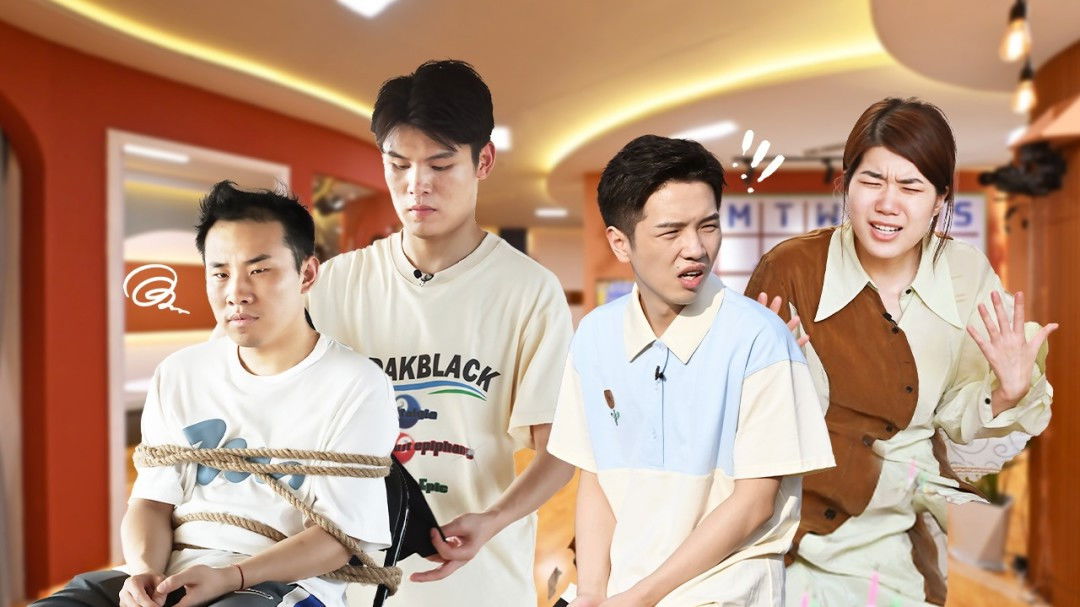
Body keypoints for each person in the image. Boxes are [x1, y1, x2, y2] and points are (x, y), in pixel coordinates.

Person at [745, 98, 1057, 606]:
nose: (887, 204)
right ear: (847, 183)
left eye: (911, 187)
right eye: (872, 181)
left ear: (939, 199)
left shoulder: (964, 273)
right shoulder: (790, 268)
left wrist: (1007, 391)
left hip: (901, 529)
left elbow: (958, 416)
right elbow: (750, 422)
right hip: (792, 523)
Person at [32, 182, 398, 607]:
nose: (236, 292)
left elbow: (339, 539)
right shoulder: (180, 373)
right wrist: (144, 571)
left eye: (259, 270)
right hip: (173, 572)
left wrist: (232, 576)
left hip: (281, 585)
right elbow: (151, 503)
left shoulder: (356, 384)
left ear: (307, 274)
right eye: (220, 273)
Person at [307, 60, 575, 606]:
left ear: (484, 161)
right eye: (398, 164)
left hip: (480, 583)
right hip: (351, 582)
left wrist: (493, 518)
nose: (416, 185)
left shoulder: (529, 291)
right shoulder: (333, 285)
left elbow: (560, 452)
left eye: (440, 164)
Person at [548, 135, 835, 607]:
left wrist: (642, 596)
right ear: (620, 243)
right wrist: (595, 591)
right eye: (671, 232)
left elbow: (754, 503)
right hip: (624, 592)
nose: (696, 248)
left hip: (725, 592)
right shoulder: (595, 337)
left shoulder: (761, 339)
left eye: (708, 226)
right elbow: (597, 477)